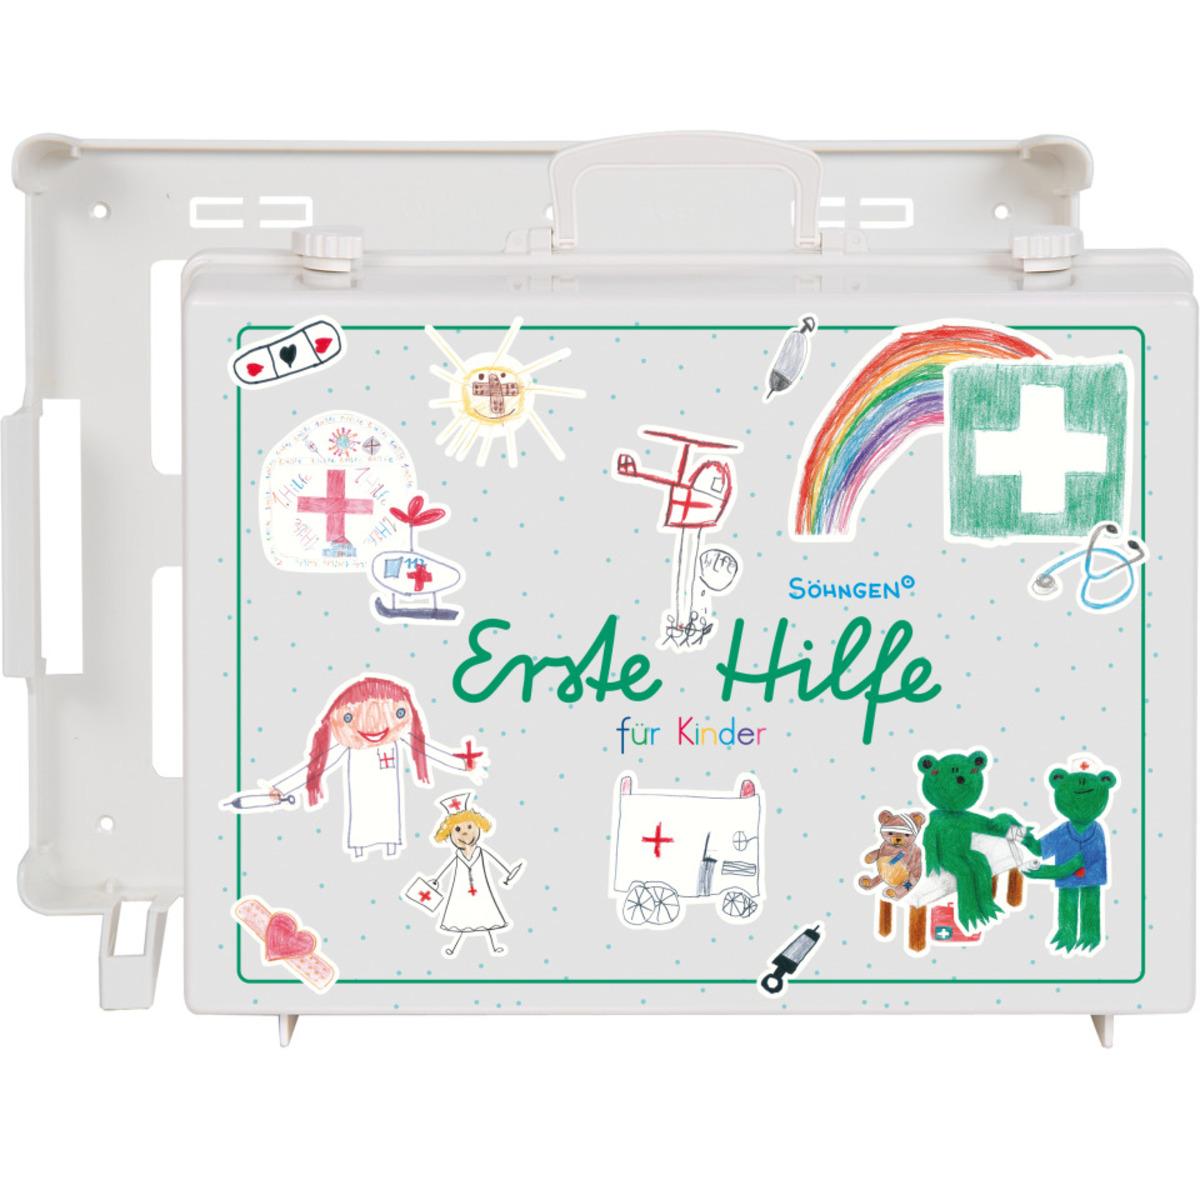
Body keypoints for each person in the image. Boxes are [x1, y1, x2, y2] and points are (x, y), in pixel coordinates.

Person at [231, 673, 486, 861]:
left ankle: (389, 848)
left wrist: (462, 764)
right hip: (362, 794)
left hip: (387, 796)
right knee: (362, 822)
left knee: (388, 819)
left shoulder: (399, 741)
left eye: (396, 713)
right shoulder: (347, 748)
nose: (374, 726)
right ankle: (361, 850)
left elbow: (428, 750)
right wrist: (281, 788)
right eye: (350, 717)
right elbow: (315, 766)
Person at [429, 798, 521, 958]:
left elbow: (497, 861)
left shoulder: (481, 851)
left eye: (470, 827)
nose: (464, 833)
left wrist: (507, 872)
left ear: (478, 827)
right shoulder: (457, 855)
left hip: (481, 888)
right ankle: (454, 947)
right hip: (461, 889)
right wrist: (437, 879)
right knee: (462, 917)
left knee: (486, 913)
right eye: (458, 829)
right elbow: (446, 867)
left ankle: (494, 946)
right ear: (450, 834)